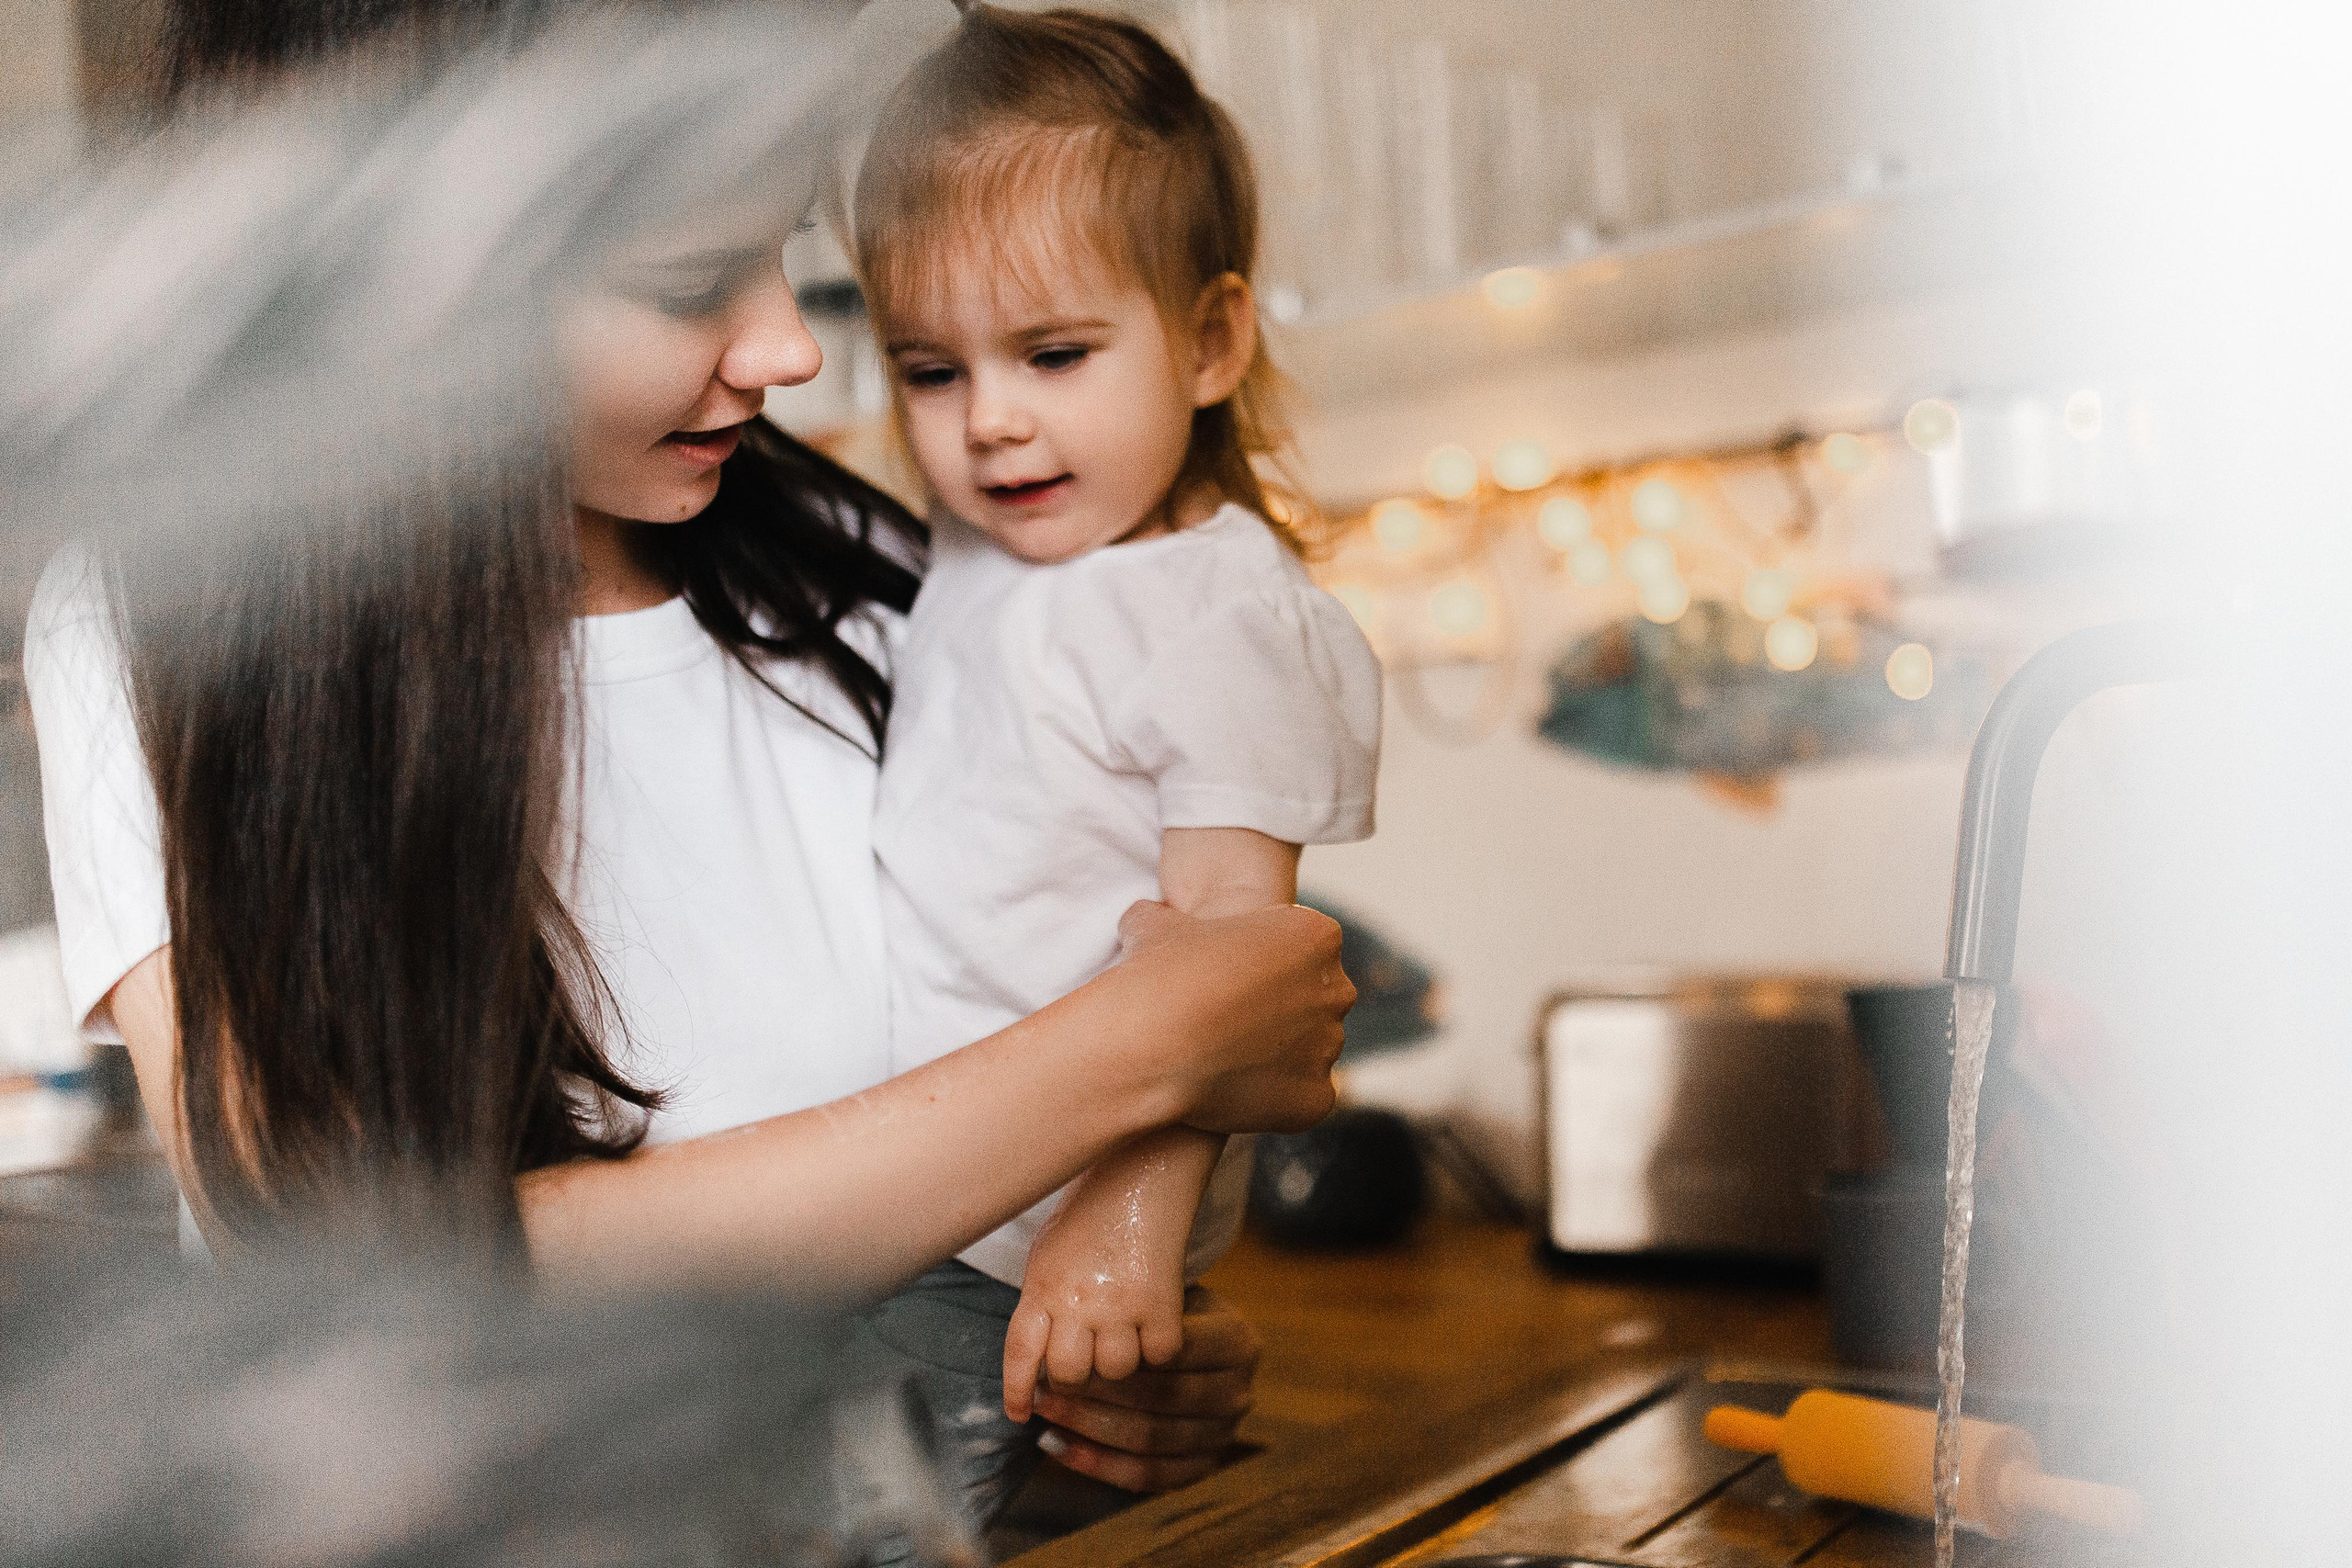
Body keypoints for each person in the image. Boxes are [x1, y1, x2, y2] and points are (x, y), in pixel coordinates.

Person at [18, 0, 1353, 1495]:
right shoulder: (175, 619)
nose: (786, 344)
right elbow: (360, 1277)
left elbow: (999, 1116)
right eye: (682, 279)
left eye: (787, 250)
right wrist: (1141, 1048)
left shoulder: (848, 555)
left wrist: (1112, 1342)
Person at [842, 3, 1382, 1529]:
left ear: (1211, 340)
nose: (990, 421)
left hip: (1040, 1247)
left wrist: (1123, 1232)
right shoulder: (983, 554)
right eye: (929, 370)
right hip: (925, 1211)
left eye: (1055, 352)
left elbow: (1230, 963)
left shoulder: (1214, 610)